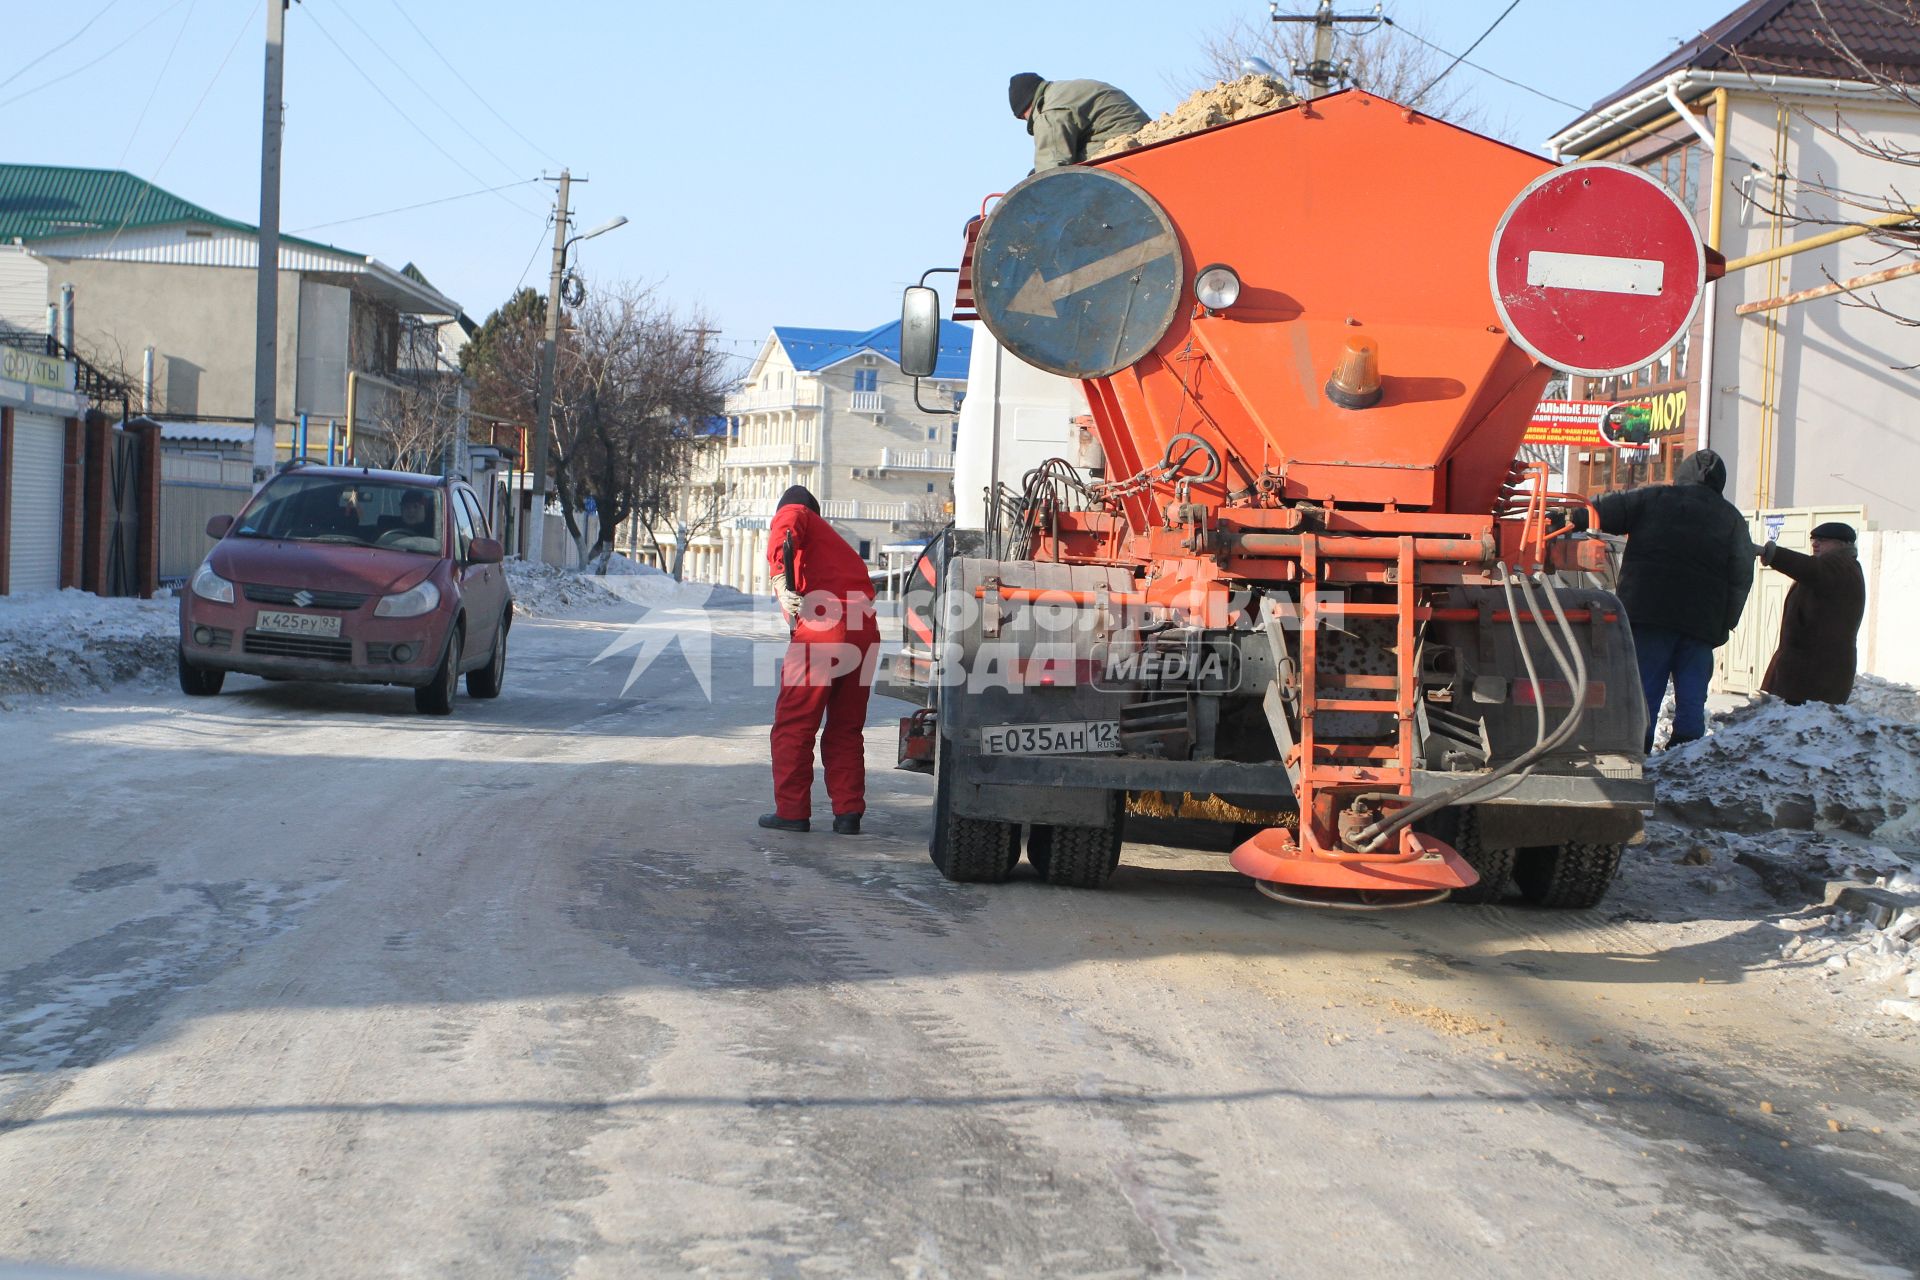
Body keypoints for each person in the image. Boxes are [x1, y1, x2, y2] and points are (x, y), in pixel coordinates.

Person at [1582, 449, 1754, 751]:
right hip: (1701, 622)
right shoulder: (1732, 519)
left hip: (1648, 614)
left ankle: (1637, 748)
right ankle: (1686, 751)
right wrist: (1727, 621)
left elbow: (1604, 510)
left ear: (1683, 473)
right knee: (1692, 692)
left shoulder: (1654, 499)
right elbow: (1741, 575)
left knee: (1645, 687)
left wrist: (1573, 515)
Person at [758, 486, 881, 835]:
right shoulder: (835, 548)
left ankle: (792, 812)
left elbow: (789, 518)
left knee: (794, 725)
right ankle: (848, 813)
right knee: (845, 727)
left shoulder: (797, 513)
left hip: (825, 629)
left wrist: (779, 575)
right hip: (864, 631)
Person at [1758, 521, 1867, 706]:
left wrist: (1771, 553)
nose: (1815, 543)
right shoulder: (1832, 568)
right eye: (1813, 539)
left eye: (1823, 540)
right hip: (1805, 671)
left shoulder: (1842, 566)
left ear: (1843, 544)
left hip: (1815, 675)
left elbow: (1809, 569)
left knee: (1801, 727)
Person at [1009, 73, 1150, 171]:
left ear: (1024, 111)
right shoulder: (1061, 91)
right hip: (1140, 135)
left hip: (1121, 145)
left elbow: (1051, 168)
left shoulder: (1048, 112)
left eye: (1023, 118)